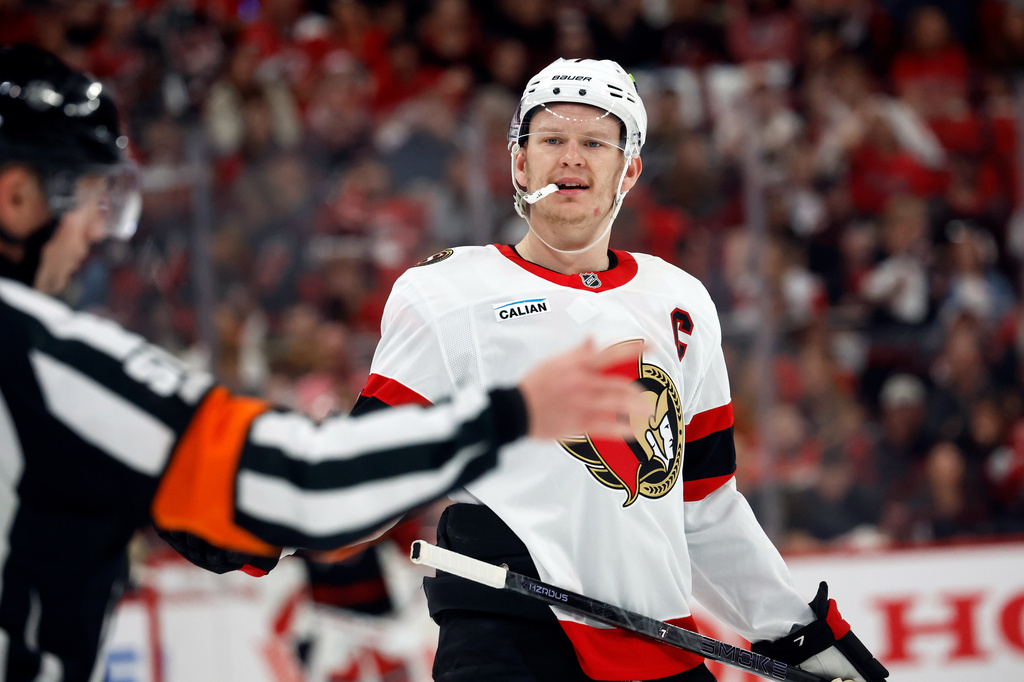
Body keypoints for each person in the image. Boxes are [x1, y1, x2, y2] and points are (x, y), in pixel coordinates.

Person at [0, 44, 646, 682]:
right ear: (17, 197)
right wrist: (517, 409)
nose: (94, 228)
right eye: (84, 196)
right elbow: (304, 480)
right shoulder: (48, 363)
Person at [354, 58, 890, 682]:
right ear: (519, 163)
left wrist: (801, 635)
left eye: (594, 142)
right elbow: (368, 464)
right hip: (508, 642)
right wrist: (254, 524)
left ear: (628, 169)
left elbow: (704, 507)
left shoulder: (679, 302)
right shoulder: (448, 292)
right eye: (551, 139)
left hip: (656, 649)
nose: (571, 158)